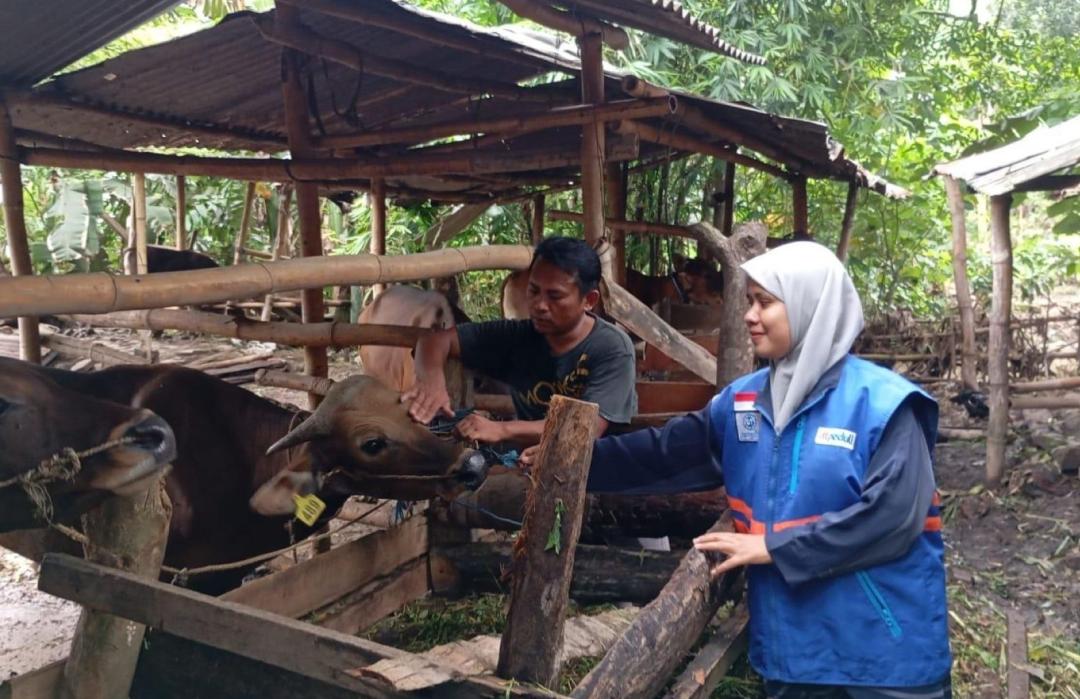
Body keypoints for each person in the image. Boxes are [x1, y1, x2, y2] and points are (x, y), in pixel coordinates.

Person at [524, 241, 952, 698]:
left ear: (813, 307)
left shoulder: (884, 405)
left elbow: (893, 518)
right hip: (792, 650)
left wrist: (774, 546)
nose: (749, 315)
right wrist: (567, 463)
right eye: (749, 301)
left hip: (883, 653)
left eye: (765, 302)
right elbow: (665, 454)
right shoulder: (744, 402)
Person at [403, 236, 637, 447]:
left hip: (600, 468)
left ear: (589, 300)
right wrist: (431, 382)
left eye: (555, 296)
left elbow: (587, 428)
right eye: (534, 291)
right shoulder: (519, 336)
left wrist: (502, 429)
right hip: (533, 464)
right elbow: (434, 341)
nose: (539, 305)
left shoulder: (612, 348)